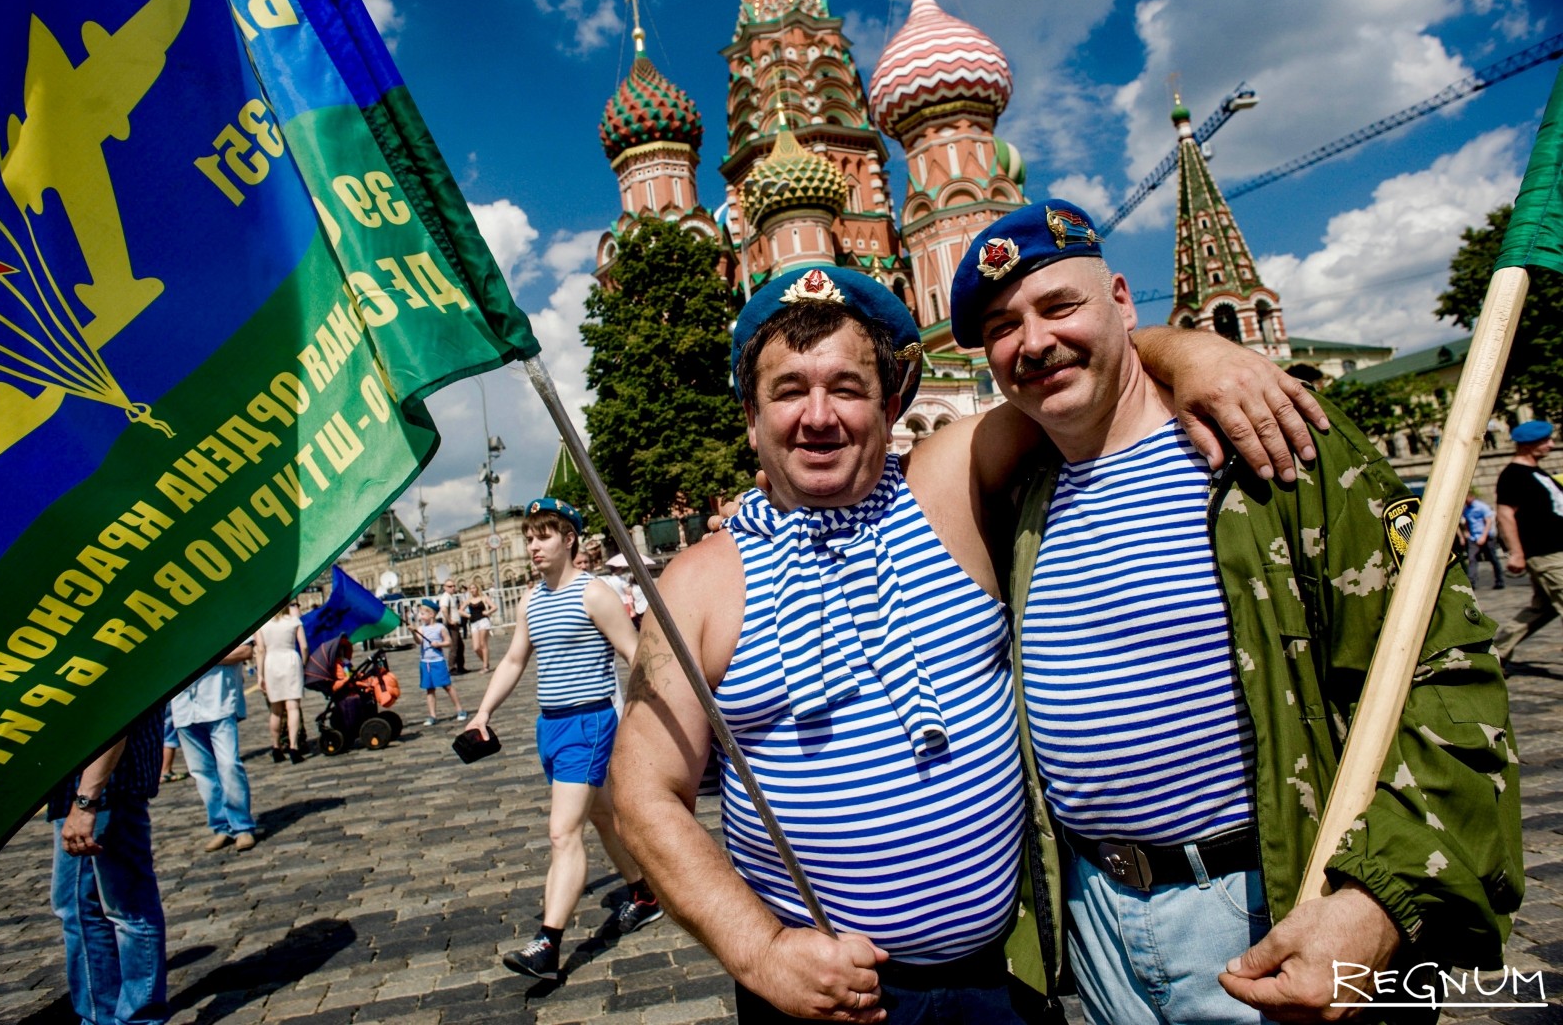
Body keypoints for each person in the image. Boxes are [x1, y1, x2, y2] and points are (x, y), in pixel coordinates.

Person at [610, 263, 1325, 1023]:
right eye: (788, 391)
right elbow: (644, 794)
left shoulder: (943, 485)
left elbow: (1075, 365)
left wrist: (1197, 355)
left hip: (1006, 978)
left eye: (847, 389)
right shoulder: (698, 584)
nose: (818, 416)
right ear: (751, 418)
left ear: (890, 407)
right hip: (821, 991)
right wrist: (759, 953)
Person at [948, 199, 1522, 1022]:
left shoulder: (1273, 445)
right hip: (1098, 925)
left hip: (1275, 901)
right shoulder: (1021, 497)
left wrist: (1377, 899)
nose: (1033, 340)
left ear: (1120, 299)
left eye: (1060, 305)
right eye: (1003, 325)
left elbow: (1446, 670)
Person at [470, 497, 660, 980]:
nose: (534, 546)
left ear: (569, 538)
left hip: (589, 723)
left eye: (544, 536)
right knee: (601, 816)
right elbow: (514, 659)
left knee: (562, 832)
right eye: (529, 537)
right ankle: (645, 893)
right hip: (549, 724)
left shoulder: (592, 593)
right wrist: (483, 712)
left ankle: (548, 943)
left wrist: (654, 714)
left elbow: (633, 652)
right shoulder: (532, 599)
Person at [48, 707, 168, 1025]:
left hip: (105, 785)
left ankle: (139, 1019)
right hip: (81, 786)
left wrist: (87, 799)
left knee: (129, 910)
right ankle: (98, 1016)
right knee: (78, 909)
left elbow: (119, 709)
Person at [173, 642, 259, 853]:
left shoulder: (221, 621)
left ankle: (241, 825)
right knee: (202, 772)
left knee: (229, 765)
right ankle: (221, 825)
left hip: (217, 701)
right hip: (183, 706)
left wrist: (202, 656)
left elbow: (245, 651)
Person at [1493, 420, 1563, 664]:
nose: (1551, 445)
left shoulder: (1537, 472)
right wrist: (1516, 552)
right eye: (1545, 441)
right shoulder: (1513, 475)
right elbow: (1505, 514)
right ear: (1527, 445)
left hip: (1556, 549)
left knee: (1542, 609)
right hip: (1545, 553)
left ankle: (1496, 653)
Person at [256, 601, 308, 764]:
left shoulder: (262, 624)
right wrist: (303, 663)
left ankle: (276, 747)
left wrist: (260, 675)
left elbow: (260, 650)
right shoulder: (294, 621)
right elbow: (304, 646)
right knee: (293, 707)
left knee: (276, 710)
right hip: (290, 659)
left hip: (271, 662)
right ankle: (293, 746)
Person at [415, 600, 467, 725]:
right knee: (429, 689)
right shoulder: (421, 628)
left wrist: (439, 644)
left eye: (422, 614)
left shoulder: (440, 627)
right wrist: (413, 632)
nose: (420, 616)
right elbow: (419, 641)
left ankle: (460, 709)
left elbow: (449, 642)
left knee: (447, 686)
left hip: (438, 661)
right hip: (425, 662)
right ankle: (432, 715)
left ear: (431, 614)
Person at [1463, 490, 1505, 590]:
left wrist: (1483, 536)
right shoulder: (1466, 509)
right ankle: (1471, 582)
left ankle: (1499, 581)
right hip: (1473, 538)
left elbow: (1488, 522)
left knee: (1493, 559)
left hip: (1486, 537)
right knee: (1472, 559)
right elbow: (1466, 522)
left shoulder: (1481, 507)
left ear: (1471, 497)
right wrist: (1467, 533)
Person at [438, 577, 468, 674]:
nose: (453, 588)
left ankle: (460, 666)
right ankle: (452, 668)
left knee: (460, 646)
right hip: (451, 625)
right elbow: (444, 609)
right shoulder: (445, 597)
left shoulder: (451, 596)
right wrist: (450, 620)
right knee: (454, 646)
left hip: (455, 624)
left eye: (454, 586)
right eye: (450, 586)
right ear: (445, 587)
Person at [466, 582, 496, 671]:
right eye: (471, 588)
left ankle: (485, 666)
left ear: (477, 588)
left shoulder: (483, 597)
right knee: (476, 647)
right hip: (474, 622)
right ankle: (485, 662)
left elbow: (494, 607)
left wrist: (488, 612)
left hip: (483, 621)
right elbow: (460, 610)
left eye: (474, 588)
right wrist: (467, 615)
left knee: (483, 643)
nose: (472, 590)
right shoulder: (468, 600)